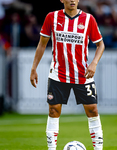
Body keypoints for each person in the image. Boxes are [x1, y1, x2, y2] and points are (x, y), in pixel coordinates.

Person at [30, 0, 105, 150]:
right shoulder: (52, 17)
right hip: (58, 74)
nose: (72, 0)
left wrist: (94, 63)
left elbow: (100, 44)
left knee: (93, 110)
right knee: (53, 110)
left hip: (83, 74)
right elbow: (42, 44)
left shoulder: (88, 19)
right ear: (62, 0)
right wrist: (34, 68)